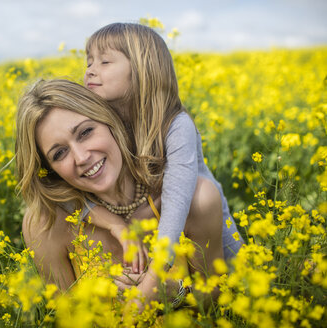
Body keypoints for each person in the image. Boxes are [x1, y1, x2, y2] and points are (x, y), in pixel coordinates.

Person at [15, 79, 224, 304]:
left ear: (109, 121)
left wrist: (178, 295)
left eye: (85, 132)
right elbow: (68, 318)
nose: (82, 157)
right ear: (50, 170)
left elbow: (219, 299)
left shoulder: (197, 199)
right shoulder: (46, 224)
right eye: (59, 153)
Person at [82, 22, 244, 267]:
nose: (91, 70)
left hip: (204, 236)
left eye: (104, 62)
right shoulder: (100, 123)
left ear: (141, 69)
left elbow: (178, 199)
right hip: (149, 232)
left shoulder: (177, 125)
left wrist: (159, 266)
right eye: (89, 62)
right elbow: (60, 189)